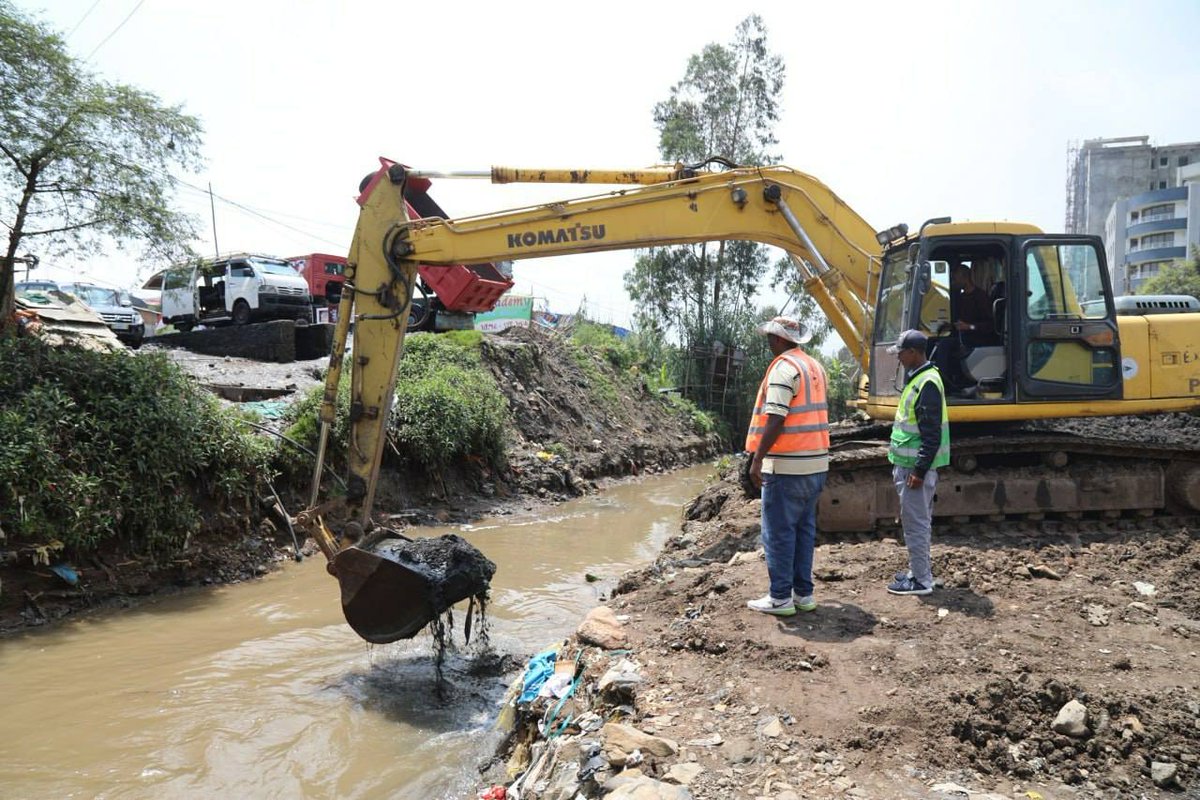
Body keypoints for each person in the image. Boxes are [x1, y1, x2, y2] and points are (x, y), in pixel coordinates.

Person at [744, 316, 831, 616]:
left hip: (788, 467)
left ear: (780, 339)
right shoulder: (814, 366)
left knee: (779, 532)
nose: (768, 341)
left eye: (770, 336)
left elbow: (777, 417)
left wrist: (757, 459)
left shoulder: (784, 368)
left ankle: (780, 597)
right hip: (816, 464)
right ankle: (802, 595)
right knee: (804, 531)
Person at [886, 329, 950, 596]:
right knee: (917, 521)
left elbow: (931, 433)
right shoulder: (921, 379)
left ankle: (922, 581)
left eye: (901, 352)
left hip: (915, 469)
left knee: (916, 524)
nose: (898, 357)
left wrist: (920, 470)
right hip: (911, 466)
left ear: (913, 352)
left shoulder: (927, 383)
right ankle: (919, 572)